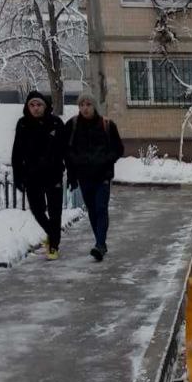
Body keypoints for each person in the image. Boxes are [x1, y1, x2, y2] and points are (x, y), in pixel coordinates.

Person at [63, 93, 125, 262]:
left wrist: (105, 161)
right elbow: (66, 151)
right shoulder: (73, 125)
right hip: (84, 176)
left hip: (102, 176)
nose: (85, 108)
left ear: (94, 106)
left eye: (88, 104)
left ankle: (100, 244)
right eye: (82, 104)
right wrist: (73, 172)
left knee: (101, 208)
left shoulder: (107, 125)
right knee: (92, 210)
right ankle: (100, 242)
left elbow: (118, 149)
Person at [11, 90, 66, 260]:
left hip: (53, 174)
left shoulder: (56, 123)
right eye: (32, 105)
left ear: (45, 106)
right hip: (32, 176)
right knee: (37, 210)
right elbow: (17, 153)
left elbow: (65, 149)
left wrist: (68, 170)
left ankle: (53, 247)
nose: (35, 108)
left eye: (39, 105)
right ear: (27, 107)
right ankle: (53, 235)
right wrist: (18, 176)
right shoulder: (23, 124)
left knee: (55, 212)